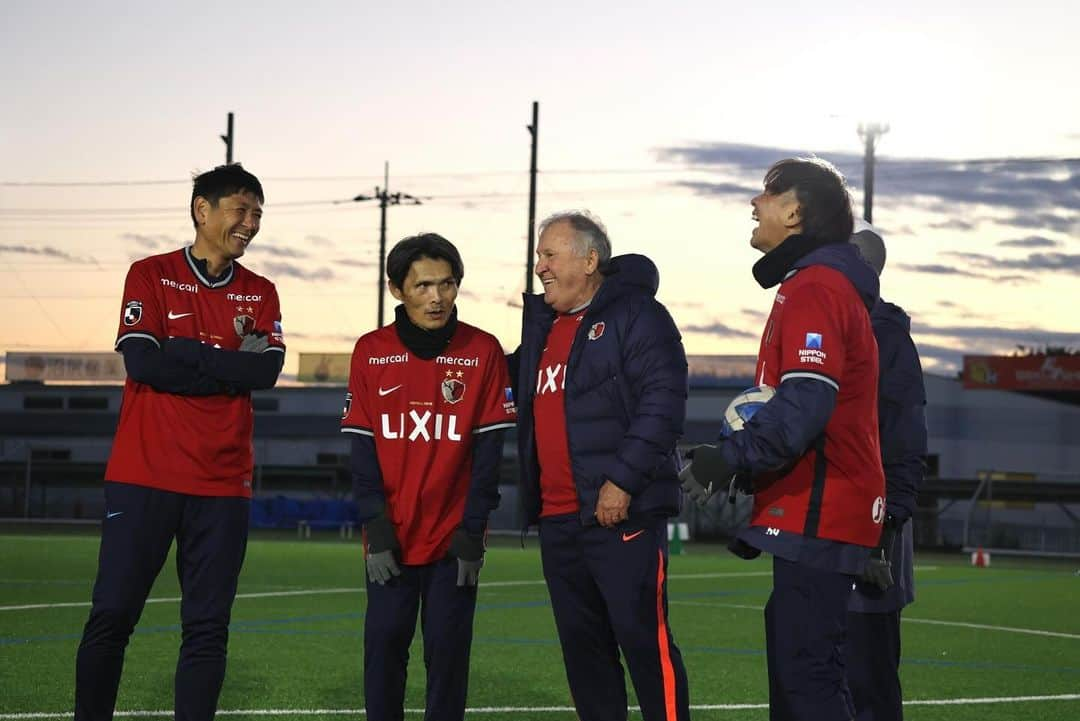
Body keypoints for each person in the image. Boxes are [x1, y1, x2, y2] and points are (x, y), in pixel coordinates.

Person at [76, 164, 285, 721]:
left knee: (207, 629)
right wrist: (224, 367)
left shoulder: (261, 292)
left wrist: (187, 354)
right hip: (143, 476)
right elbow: (142, 361)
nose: (250, 224)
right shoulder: (149, 273)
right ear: (202, 209)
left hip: (222, 485)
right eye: (241, 210)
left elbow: (264, 373)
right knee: (113, 616)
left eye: (258, 214)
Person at [680, 158, 885, 721]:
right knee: (801, 670)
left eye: (767, 193)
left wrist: (731, 458)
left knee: (808, 677)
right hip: (819, 509)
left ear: (795, 211)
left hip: (823, 509)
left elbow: (806, 405)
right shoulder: (813, 282)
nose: (755, 202)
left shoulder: (818, 286)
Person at [511, 210, 691, 721]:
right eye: (539, 254)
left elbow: (664, 403)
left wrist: (622, 481)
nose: (539, 265)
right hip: (559, 521)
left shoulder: (638, 315)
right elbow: (502, 383)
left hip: (620, 515)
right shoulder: (543, 329)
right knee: (584, 655)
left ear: (590, 260)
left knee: (645, 646)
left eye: (550, 254)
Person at [341, 233, 515, 721]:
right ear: (397, 289)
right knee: (384, 652)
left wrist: (472, 532)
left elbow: (488, 456)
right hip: (389, 538)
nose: (436, 297)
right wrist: (375, 529)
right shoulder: (370, 351)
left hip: (452, 540)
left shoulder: (482, 350)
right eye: (422, 286)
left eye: (447, 284)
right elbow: (362, 450)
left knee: (448, 656)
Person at [846, 220, 928, 721]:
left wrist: (885, 529)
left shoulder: (887, 341)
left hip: (871, 530)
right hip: (822, 534)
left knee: (869, 676)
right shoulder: (829, 328)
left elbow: (902, 441)